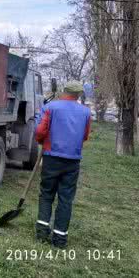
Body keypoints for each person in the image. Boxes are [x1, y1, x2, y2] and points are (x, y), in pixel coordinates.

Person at [34, 81, 91, 248]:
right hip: (73, 160)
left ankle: (42, 232)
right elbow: (85, 135)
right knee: (66, 199)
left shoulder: (51, 107)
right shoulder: (86, 112)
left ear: (63, 91)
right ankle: (59, 239)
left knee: (46, 193)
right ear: (79, 95)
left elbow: (39, 131)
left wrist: (41, 142)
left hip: (52, 157)